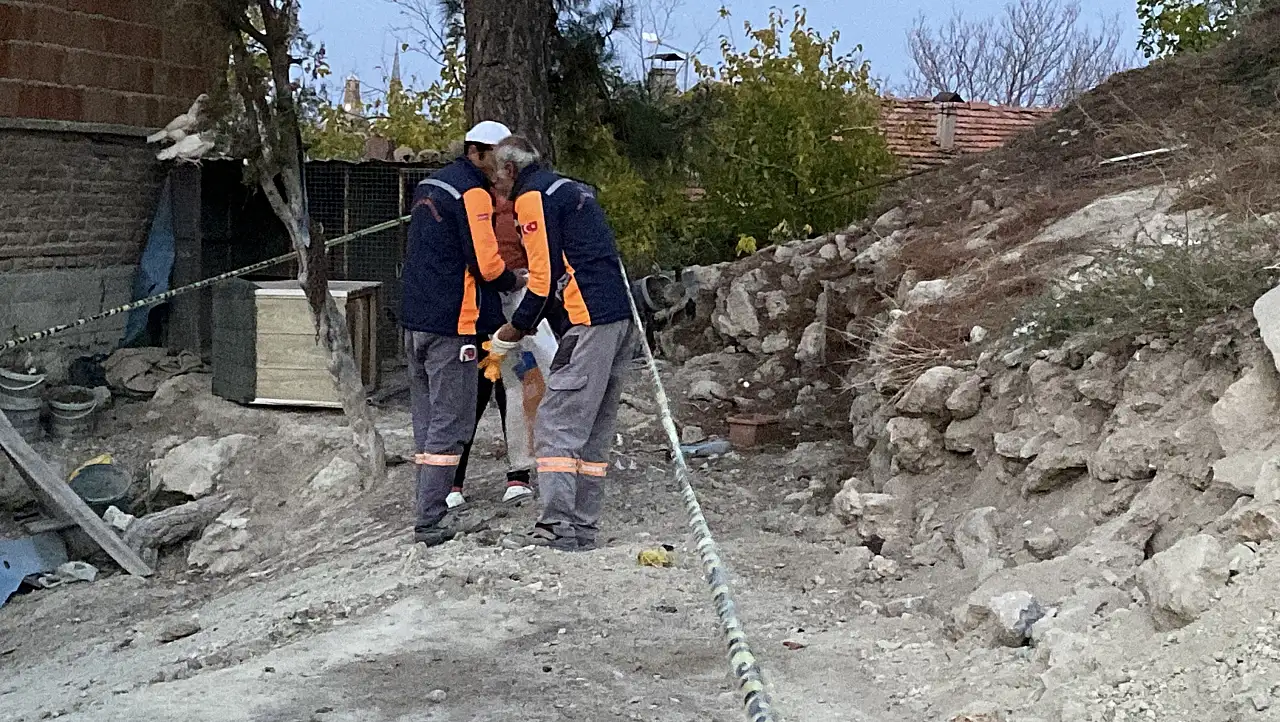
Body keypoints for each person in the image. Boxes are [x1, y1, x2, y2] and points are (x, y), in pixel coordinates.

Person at [488, 135, 635, 552]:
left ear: (510, 170)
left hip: (588, 321)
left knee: (556, 424)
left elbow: (543, 277)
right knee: (594, 429)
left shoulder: (533, 198)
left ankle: (556, 526)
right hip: (617, 317)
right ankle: (583, 526)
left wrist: (513, 330)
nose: (496, 186)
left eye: (497, 177)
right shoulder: (571, 190)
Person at [401, 120, 522, 546]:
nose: (503, 164)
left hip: (415, 320)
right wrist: (515, 281)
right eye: (498, 156)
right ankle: (430, 520)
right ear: (478, 152)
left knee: (426, 422)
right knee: (451, 423)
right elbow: (486, 264)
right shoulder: (472, 193)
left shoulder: (430, 185)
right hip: (452, 325)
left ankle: (425, 506)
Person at [447, 191, 558, 510]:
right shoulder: (473, 200)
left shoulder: (521, 204)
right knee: (473, 392)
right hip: (479, 309)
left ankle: (519, 474)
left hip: (512, 309)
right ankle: (454, 480)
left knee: (519, 388)